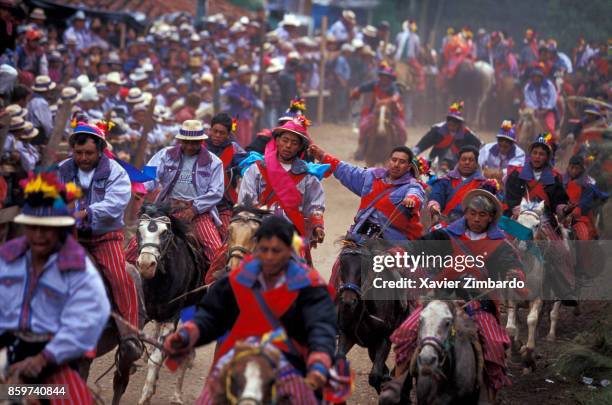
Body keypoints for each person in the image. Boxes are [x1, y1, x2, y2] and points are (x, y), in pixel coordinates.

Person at [162, 215, 337, 405]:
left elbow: (320, 326)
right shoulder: (237, 279)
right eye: (264, 249)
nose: (269, 256)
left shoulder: (309, 286)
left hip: (289, 360)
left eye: (276, 250)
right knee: (208, 399)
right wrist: (188, 335)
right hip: (240, 355)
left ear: (289, 251)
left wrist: (320, 356)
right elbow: (211, 315)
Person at [381, 185, 525, 404]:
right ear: (466, 213)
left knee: (495, 343)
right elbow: (417, 247)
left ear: (491, 217)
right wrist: (399, 252)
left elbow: (511, 265)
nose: (476, 218)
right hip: (441, 299)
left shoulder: (500, 245)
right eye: (473, 213)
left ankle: (488, 394)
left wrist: (514, 274)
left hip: (478, 303)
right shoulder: (445, 235)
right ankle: (398, 383)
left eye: (482, 215)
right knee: (406, 330)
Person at [0, 171, 110, 404]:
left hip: (51, 360)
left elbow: (87, 321)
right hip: (5, 350)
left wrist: (42, 358)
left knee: (72, 398)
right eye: (33, 227)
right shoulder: (6, 260)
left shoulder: (79, 270)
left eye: (47, 228)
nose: (39, 235)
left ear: (60, 229)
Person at [57, 121, 142, 360]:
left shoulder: (115, 172)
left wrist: (87, 212)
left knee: (119, 276)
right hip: (69, 236)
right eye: (79, 152)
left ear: (101, 150)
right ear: (72, 150)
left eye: (89, 153)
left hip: (104, 236)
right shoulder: (62, 169)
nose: (83, 158)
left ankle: (129, 335)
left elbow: (116, 202)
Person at [309, 144, 425, 288]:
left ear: (409, 167)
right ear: (389, 161)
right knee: (340, 266)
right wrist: (323, 156)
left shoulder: (413, 186)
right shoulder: (371, 175)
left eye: (402, 162)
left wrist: (411, 199)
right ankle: (332, 304)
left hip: (392, 243)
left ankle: (409, 307)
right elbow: (346, 170)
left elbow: (417, 194)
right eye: (394, 160)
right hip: (360, 237)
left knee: (401, 278)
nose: (396, 164)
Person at [136, 120, 224, 263]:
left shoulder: (214, 162)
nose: (190, 146)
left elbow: (216, 192)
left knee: (216, 253)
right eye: (186, 142)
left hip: (198, 213)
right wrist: (141, 188)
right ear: (180, 140)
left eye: (194, 143)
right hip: (166, 209)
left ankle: (213, 284)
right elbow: (150, 174)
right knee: (135, 247)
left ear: (201, 141)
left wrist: (194, 209)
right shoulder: (165, 155)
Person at [238, 116, 325, 254]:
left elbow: (315, 205)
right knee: (231, 257)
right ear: (277, 141)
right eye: (285, 140)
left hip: (292, 232)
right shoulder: (257, 169)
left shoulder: (307, 176)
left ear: (300, 147)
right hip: (258, 228)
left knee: (303, 268)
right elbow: (245, 199)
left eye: (294, 143)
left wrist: (318, 225)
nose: (288, 145)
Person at [351, 62, 407, 160]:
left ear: (390, 78)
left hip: (392, 114)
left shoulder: (393, 87)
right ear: (380, 76)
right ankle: (361, 149)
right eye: (382, 76)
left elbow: (396, 96)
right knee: (364, 126)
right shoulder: (375, 84)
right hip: (375, 113)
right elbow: (362, 88)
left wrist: (387, 101)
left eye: (386, 77)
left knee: (402, 129)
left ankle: (402, 150)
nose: (384, 78)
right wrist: (356, 91)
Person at [204, 113, 247, 239]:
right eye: (215, 131)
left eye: (222, 133)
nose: (217, 135)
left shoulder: (235, 150)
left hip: (224, 205)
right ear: (210, 130)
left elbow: (247, 168)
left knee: (230, 240)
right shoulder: (199, 146)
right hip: (199, 204)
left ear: (228, 134)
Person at [428, 145, 486, 224]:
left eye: (471, 160)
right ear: (458, 162)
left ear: (476, 164)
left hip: (470, 225)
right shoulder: (445, 180)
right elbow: (437, 194)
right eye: (464, 159)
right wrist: (435, 206)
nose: (467, 162)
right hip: (444, 223)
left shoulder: (484, 184)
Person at [413, 101, 481, 167]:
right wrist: (413, 153)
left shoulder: (467, 134)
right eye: (450, 121)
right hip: (436, 159)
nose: (452, 124)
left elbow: (480, 147)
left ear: (459, 123)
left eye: (455, 122)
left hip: (458, 163)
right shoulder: (437, 130)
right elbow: (423, 143)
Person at [563, 154, 608, 241]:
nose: (573, 171)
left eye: (577, 168)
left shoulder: (587, 183)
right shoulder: (562, 180)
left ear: (582, 169)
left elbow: (589, 199)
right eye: (571, 167)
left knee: (584, 236)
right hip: (562, 214)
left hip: (580, 216)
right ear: (568, 167)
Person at [224, 65, 262, 147]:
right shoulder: (234, 85)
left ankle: (246, 155)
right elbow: (228, 93)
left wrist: (249, 103)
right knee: (239, 138)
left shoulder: (247, 87)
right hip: (236, 117)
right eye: (246, 74)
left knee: (247, 139)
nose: (248, 77)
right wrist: (240, 99)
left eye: (249, 75)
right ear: (240, 75)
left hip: (246, 116)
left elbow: (254, 100)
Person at [523, 65, 558, 140]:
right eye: (535, 76)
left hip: (548, 111)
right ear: (532, 77)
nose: (536, 78)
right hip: (534, 111)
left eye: (538, 76)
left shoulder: (549, 85)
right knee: (524, 124)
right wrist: (536, 109)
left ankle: (553, 143)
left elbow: (553, 98)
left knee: (550, 129)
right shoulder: (528, 87)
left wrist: (546, 110)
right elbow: (528, 101)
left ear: (542, 77)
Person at [26, 75, 55, 145]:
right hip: (38, 135)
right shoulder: (41, 102)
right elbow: (46, 123)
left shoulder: (32, 100)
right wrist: (49, 136)